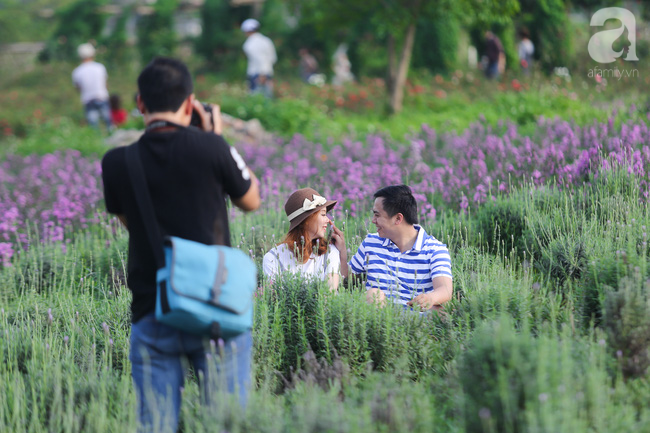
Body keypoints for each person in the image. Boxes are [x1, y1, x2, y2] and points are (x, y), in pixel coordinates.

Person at [101, 57, 261, 433]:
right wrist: (217, 138)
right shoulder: (212, 148)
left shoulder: (116, 162)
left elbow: (130, 223)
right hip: (216, 305)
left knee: (155, 425)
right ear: (189, 104)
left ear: (140, 103)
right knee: (225, 423)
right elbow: (251, 199)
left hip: (152, 307)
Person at [331, 185, 453, 311]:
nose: (373, 220)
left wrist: (430, 298)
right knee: (373, 295)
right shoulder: (370, 243)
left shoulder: (435, 249)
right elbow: (347, 280)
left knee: (440, 309)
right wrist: (342, 252)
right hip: (381, 323)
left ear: (398, 218)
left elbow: (445, 289)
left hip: (419, 321)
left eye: (377, 215)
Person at [263, 188, 340, 292]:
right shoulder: (273, 258)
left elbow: (330, 294)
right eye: (323, 214)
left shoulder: (329, 253)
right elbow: (274, 300)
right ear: (306, 220)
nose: (328, 220)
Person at [72, 43, 113, 131]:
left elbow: (78, 88)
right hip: (101, 96)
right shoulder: (100, 67)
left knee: (94, 126)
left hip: (88, 100)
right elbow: (105, 83)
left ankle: (97, 142)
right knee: (108, 124)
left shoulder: (77, 71)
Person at [241, 18, 277, 98]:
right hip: (268, 72)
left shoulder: (249, 44)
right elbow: (273, 58)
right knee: (268, 97)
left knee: (256, 99)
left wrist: (262, 74)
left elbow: (259, 59)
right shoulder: (267, 40)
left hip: (257, 74)